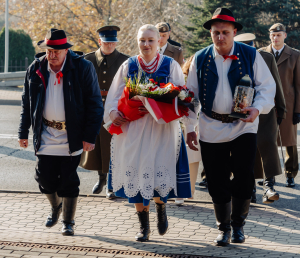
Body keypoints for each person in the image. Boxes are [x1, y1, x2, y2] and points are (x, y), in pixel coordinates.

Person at [185, 8, 276, 246]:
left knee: (244, 174)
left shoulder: (250, 55)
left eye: (225, 32)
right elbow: (191, 96)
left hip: (243, 126)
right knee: (216, 178)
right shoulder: (200, 57)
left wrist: (257, 108)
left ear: (234, 32)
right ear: (211, 34)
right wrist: (190, 128)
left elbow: (267, 87)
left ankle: (238, 226)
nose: (220, 37)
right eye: (216, 32)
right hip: (210, 125)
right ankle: (223, 228)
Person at [104, 24, 191, 242]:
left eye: (151, 40)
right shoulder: (129, 65)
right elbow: (114, 96)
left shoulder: (170, 65)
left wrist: (160, 104)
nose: (146, 44)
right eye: (142, 40)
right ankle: (144, 226)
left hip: (162, 129)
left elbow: (182, 97)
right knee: (134, 173)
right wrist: (114, 113)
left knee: (158, 173)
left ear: (159, 41)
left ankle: (161, 207)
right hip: (133, 129)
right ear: (137, 41)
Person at [18, 28, 103, 236]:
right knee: (44, 179)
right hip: (45, 133)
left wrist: (89, 136)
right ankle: (56, 206)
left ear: (66, 50)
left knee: (68, 180)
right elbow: (26, 102)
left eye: (57, 51)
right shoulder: (36, 67)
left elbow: (94, 104)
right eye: (49, 50)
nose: (52, 55)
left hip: (71, 135)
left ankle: (68, 221)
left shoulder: (82, 68)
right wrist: (23, 131)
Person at [234, 33, 286, 204]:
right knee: (249, 149)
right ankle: (251, 188)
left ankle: (269, 186)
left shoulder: (266, 57)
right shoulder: (231, 59)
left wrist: (281, 109)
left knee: (268, 145)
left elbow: (275, 84)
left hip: (265, 111)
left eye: (250, 45)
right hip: (241, 111)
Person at [79, 26, 129, 199]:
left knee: (112, 146)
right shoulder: (87, 60)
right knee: (95, 145)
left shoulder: (125, 61)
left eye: (113, 42)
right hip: (93, 108)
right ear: (100, 42)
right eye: (106, 42)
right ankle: (101, 178)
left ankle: (111, 184)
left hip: (115, 109)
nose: (110, 45)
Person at [260, 23, 300, 188]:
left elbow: (298, 85)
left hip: (288, 104)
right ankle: (269, 175)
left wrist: (298, 110)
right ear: (269, 36)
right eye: (273, 35)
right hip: (267, 103)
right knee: (267, 140)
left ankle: (290, 174)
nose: (275, 38)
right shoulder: (261, 53)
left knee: (289, 141)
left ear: (285, 36)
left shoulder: (295, 55)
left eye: (279, 35)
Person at [175, 55, 202, 205]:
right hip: (181, 122)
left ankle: (190, 191)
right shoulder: (182, 81)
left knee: (193, 158)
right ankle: (181, 192)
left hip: (195, 122)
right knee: (182, 157)